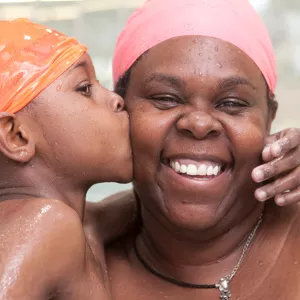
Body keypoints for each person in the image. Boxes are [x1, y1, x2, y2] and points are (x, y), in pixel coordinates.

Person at [101, 0, 300, 299]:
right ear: (119, 108)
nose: (199, 123)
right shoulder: (71, 264)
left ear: (269, 118)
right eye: (166, 98)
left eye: (232, 103)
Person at [0, 19, 135, 299]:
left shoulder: (84, 223)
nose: (117, 100)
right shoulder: (46, 223)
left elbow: (148, 206)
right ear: (17, 136)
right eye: (85, 88)